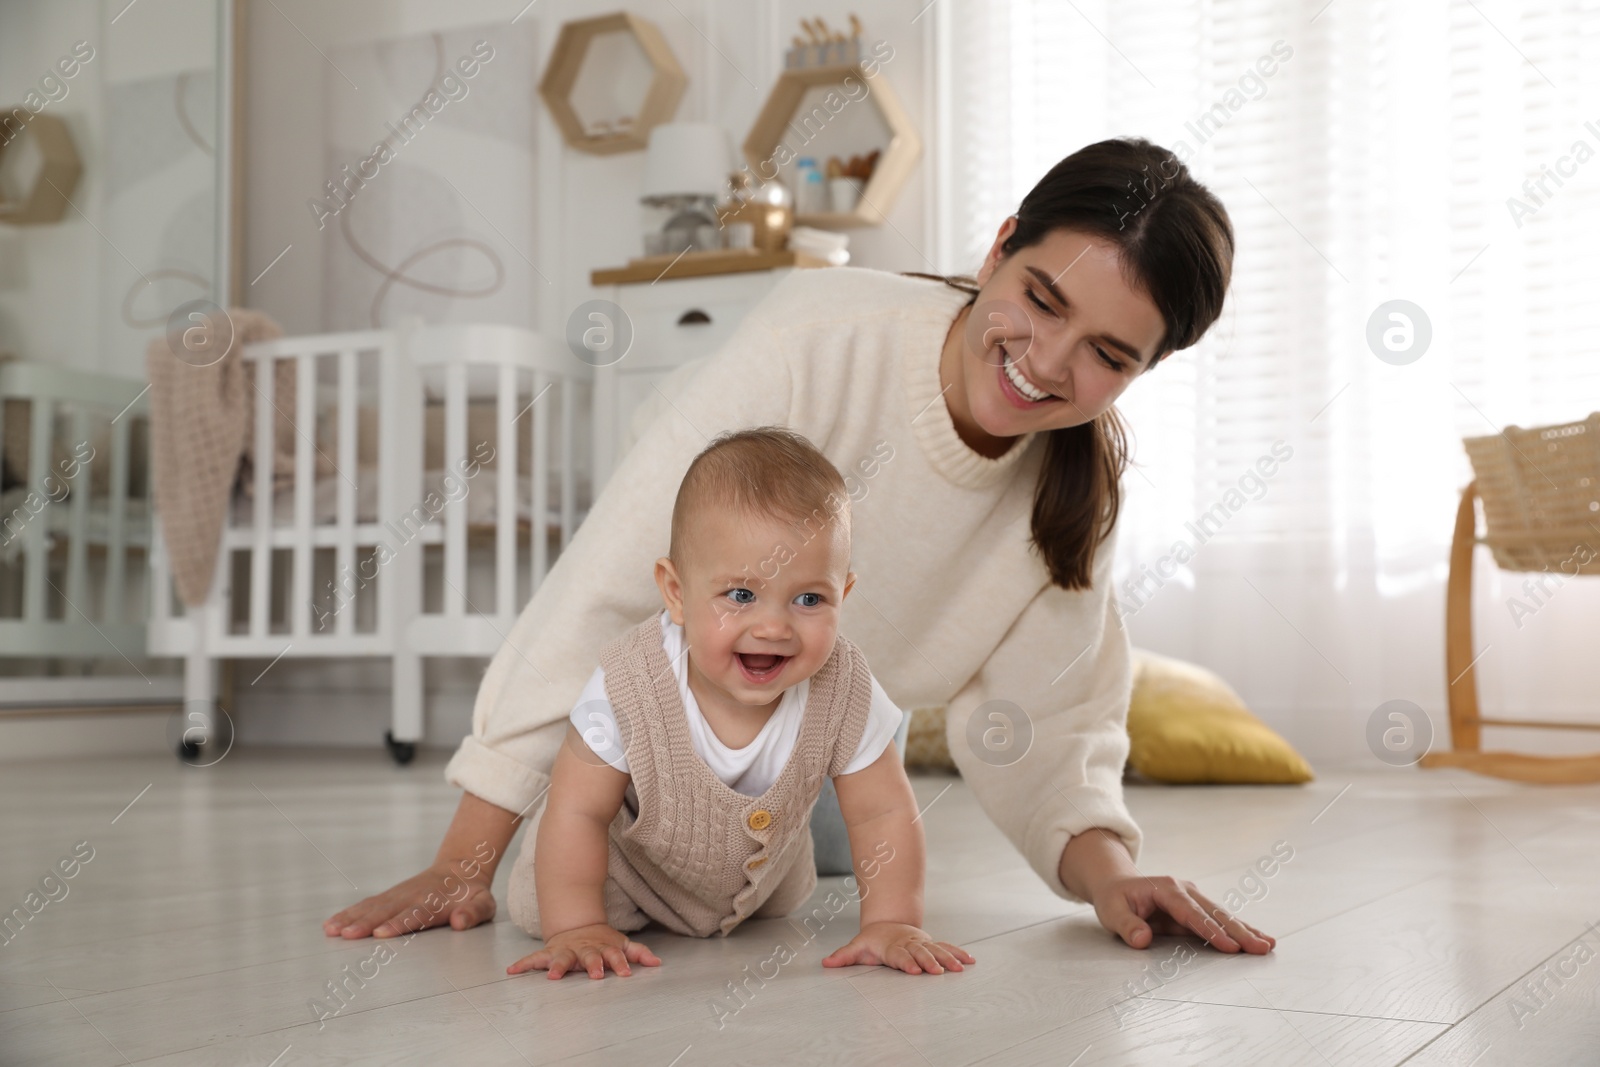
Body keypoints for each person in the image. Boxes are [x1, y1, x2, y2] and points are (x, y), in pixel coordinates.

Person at [325, 137, 1277, 957]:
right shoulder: (814, 341)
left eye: (1110, 356)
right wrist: (464, 860)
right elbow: (601, 597)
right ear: (998, 248)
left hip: (820, 746)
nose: (1049, 361)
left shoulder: (1072, 499)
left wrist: (1110, 875)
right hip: (662, 730)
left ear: (1145, 370)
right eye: (1042, 298)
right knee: (602, 853)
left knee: (819, 849)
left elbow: (1053, 722)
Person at [504, 428, 974, 979]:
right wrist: (577, 925)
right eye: (742, 595)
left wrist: (892, 921)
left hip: (763, 882)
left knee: (788, 894)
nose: (773, 626)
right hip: (627, 870)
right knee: (545, 905)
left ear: (842, 596)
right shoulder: (628, 683)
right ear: (676, 594)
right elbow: (580, 810)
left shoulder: (845, 686)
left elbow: (885, 812)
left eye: (808, 599)